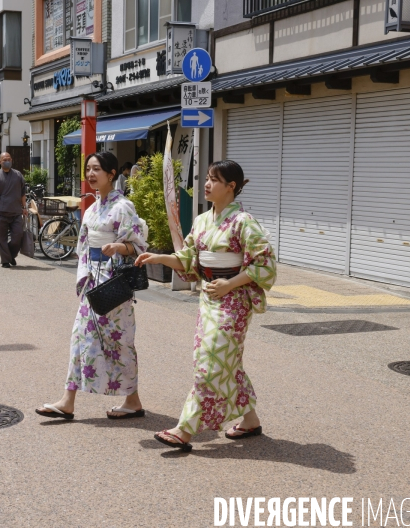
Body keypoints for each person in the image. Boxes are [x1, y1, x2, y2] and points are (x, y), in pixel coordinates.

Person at [135, 160, 277, 451]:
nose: (207, 184)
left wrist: (230, 283)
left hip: (234, 303)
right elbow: (188, 258)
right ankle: (249, 420)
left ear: (231, 186)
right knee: (227, 361)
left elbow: (265, 264)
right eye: (208, 178)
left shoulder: (244, 222)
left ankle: (185, 429)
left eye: (214, 179)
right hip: (209, 299)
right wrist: (159, 258)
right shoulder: (201, 221)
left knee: (210, 362)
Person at [36, 151, 148, 421]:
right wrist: (84, 276)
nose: (90, 174)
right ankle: (67, 400)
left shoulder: (123, 207)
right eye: (88, 169)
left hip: (114, 285)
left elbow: (139, 247)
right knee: (79, 339)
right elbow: (83, 248)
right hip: (93, 283)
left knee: (120, 343)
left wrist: (119, 246)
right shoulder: (92, 208)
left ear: (111, 174)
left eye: (97, 169)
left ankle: (132, 400)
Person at [0, 152, 28, 268]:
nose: (7, 161)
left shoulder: (18, 175)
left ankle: (10, 255)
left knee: (18, 236)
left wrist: (24, 207)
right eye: (4, 159)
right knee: (1, 237)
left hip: (16, 212)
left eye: (9, 159)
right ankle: (6, 260)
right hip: (1, 212)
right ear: (0, 161)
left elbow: (23, 193)